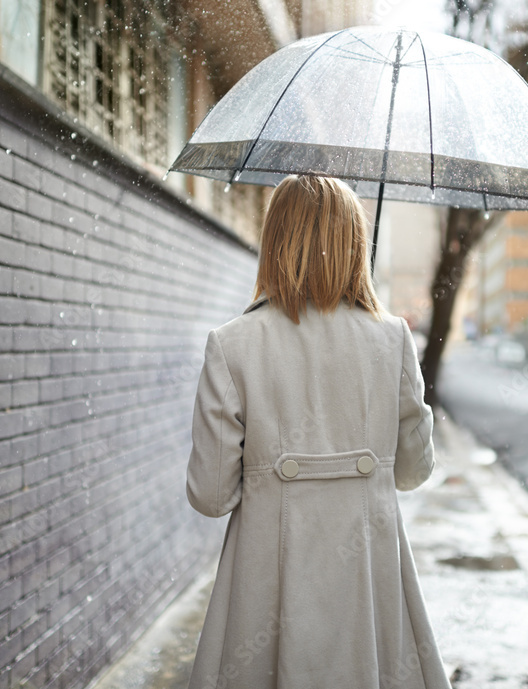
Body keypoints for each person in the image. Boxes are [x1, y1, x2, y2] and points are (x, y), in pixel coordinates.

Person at [185, 174, 451, 689]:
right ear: (354, 243)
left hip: (265, 594)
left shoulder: (232, 345)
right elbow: (415, 472)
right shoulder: (393, 339)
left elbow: (211, 495)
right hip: (369, 587)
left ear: (274, 241)